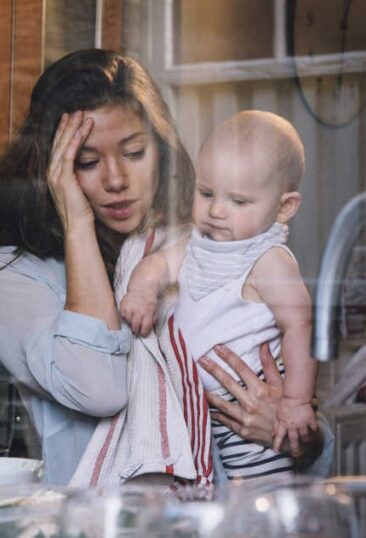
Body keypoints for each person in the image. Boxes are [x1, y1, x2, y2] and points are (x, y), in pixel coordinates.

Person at [0, 49, 329, 486]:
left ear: (160, 152)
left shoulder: (207, 249)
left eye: (134, 152)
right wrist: (77, 221)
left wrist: (294, 434)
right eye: (86, 162)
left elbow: (313, 442)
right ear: (51, 168)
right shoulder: (12, 275)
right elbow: (99, 387)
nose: (116, 179)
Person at [120, 111, 318, 480]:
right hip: (202, 413)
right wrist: (142, 290)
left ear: (284, 207)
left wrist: (295, 401)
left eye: (239, 201)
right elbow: (158, 265)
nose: (215, 211)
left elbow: (301, 326)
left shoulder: (268, 260)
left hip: (251, 409)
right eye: (206, 193)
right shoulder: (197, 245)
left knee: (261, 498)